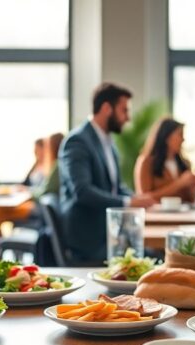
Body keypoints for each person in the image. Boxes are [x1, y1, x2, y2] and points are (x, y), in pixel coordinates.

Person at [59, 82, 155, 262]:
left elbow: (115, 187)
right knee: (151, 258)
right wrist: (128, 202)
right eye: (124, 110)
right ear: (106, 108)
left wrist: (137, 198)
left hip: (108, 233)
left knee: (153, 255)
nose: (128, 118)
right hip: (87, 240)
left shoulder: (108, 143)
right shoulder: (77, 141)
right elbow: (83, 191)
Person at [0, 133, 63, 255]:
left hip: (38, 209)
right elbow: (29, 183)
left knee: (0, 212)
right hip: (35, 204)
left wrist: (28, 191)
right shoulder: (43, 165)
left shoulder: (55, 166)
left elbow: (44, 191)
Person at [134, 117, 195, 202]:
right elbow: (144, 198)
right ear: (166, 137)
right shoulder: (146, 162)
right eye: (180, 135)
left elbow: (191, 200)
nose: (183, 139)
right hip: (157, 211)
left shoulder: (184, 163)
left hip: (182, 210)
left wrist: (193, 187)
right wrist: (179, 183)